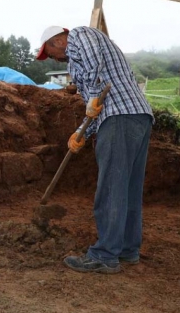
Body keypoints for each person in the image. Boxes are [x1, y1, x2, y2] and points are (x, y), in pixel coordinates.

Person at [36, 26, 154, 274]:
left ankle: (105, 255)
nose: (55, 58)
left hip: (119, 117)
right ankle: (126, 250)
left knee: (111, 188)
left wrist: (91, 98)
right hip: (136, 116)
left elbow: (94, 72)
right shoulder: (77, 65)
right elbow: (92, 107)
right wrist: (81, 134)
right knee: (128, 188)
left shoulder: (80, 35)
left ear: (59, 39)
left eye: (52, 52)